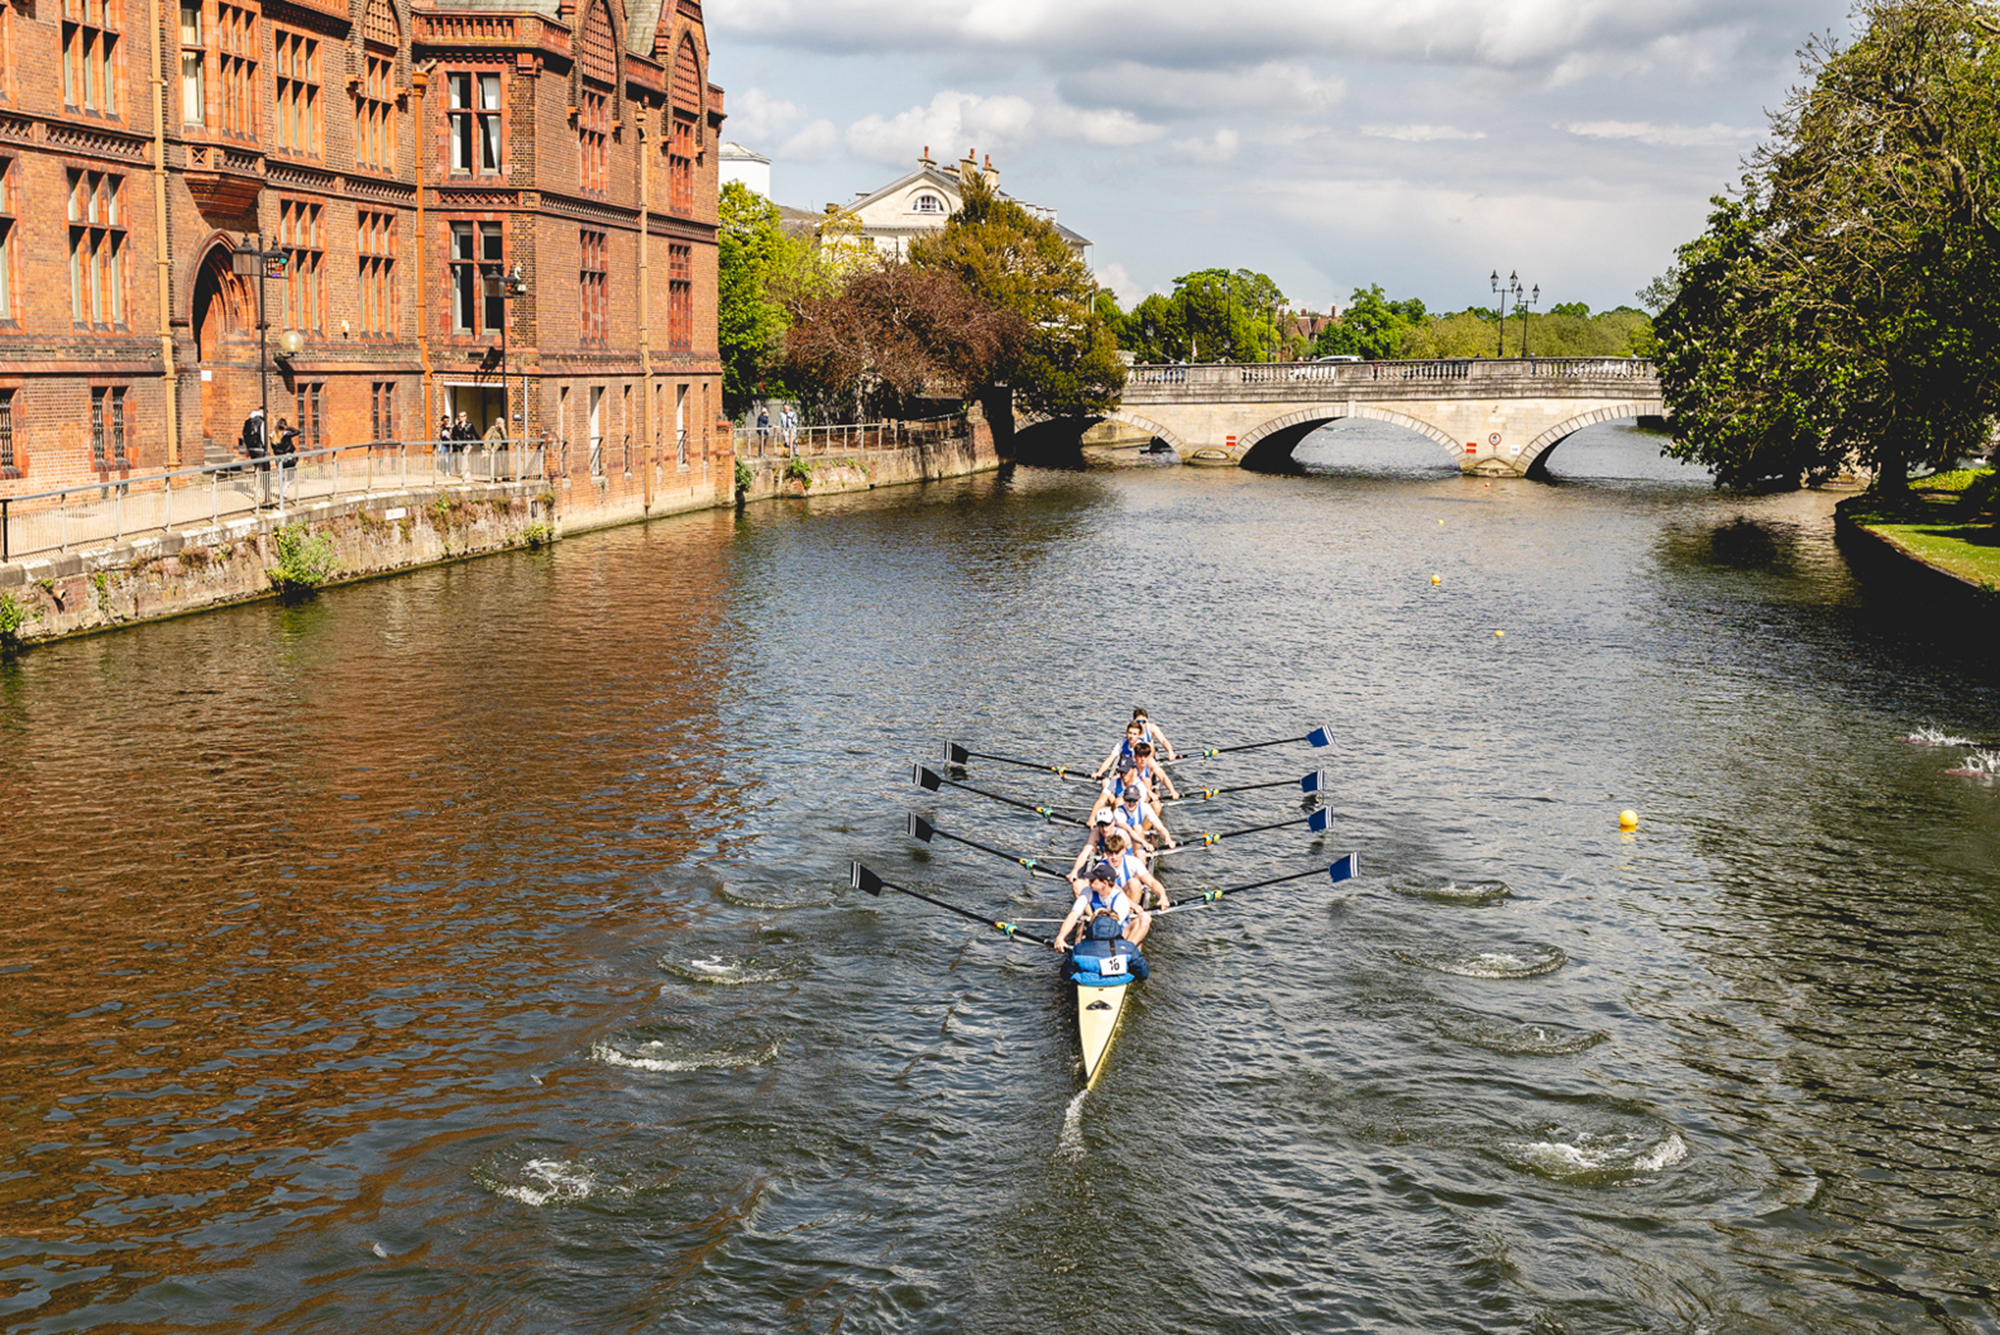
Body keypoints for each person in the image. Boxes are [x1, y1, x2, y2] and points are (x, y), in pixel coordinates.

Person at [1052, 862, 1150, 982]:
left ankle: (1125, 957)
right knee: (1096, 915)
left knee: (1145, 918)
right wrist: (1061, 937)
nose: (1089, 882)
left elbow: (1109, 932)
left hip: (1118, 938)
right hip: (1097, 934)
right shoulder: (1087, 891)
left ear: (1104, 883)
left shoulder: (1120, 899)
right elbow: (1074, 914)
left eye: (1093, 880)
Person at [1102, 830, 1169, 910]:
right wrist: (1135, 906)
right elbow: (1116, 891)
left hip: (1127, 901)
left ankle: (1128, 918)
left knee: (1134, 883)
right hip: (1108, 904)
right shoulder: (1101, 867)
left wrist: (1162, 896)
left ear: (1123, 851)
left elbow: (1151, 882)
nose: (1114, 857)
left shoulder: (1132, 862)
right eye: (1110, 853)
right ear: (1105, 852)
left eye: (1117, 853)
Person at [1111, 780, 1175, 854]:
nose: (1131, 803)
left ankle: (1137, 857)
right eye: (1128, 800)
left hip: (1137, 842)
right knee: (1137, 828)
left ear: (1139, 798)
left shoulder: (1145, 807)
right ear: (1124, 799)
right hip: (1123, 844)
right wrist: (1145, 843)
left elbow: (1160, 827)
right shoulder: (1119, 811)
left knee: (1138, 828)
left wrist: (1168, 839)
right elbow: (1129, 830)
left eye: (1134, 800)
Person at [240, 407, 270, 506]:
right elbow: (263, 436)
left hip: (251, 448)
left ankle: (257, 487)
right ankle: (257, 487)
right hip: (260, 448)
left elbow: (244, 435)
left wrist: (247, 448)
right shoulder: (261, 421)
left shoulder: (248, 421)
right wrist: (266, 447)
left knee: (257, 467)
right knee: (261, 469)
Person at [271, 416, 300, 504]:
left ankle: (281, 491)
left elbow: (273, 448)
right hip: (288, 457)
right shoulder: (286, 435)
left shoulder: (273, 435)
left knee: (281, 475)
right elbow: (298, 432)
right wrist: (289, 428)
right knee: (291, 475)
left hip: (279, 458)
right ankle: (284, 490)